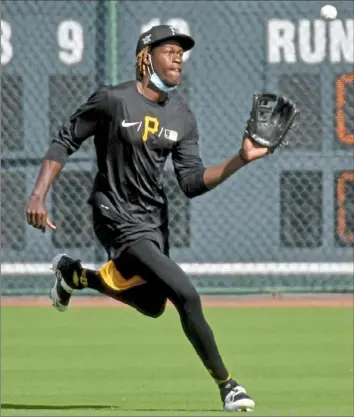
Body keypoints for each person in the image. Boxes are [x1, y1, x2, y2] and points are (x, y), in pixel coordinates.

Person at [26, 25, 269, 412]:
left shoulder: (182, 116)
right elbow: (64, 140)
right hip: (114, 215)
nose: (178, 57)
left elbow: (190, 182)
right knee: (186, 293)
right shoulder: (113, 100)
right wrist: (38, 193)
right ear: (145, 57)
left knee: (153, 305)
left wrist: (241, 159)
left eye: (181, 53)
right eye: (169, 50)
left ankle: (74, 275)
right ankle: (229, 385)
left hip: (153, 222)